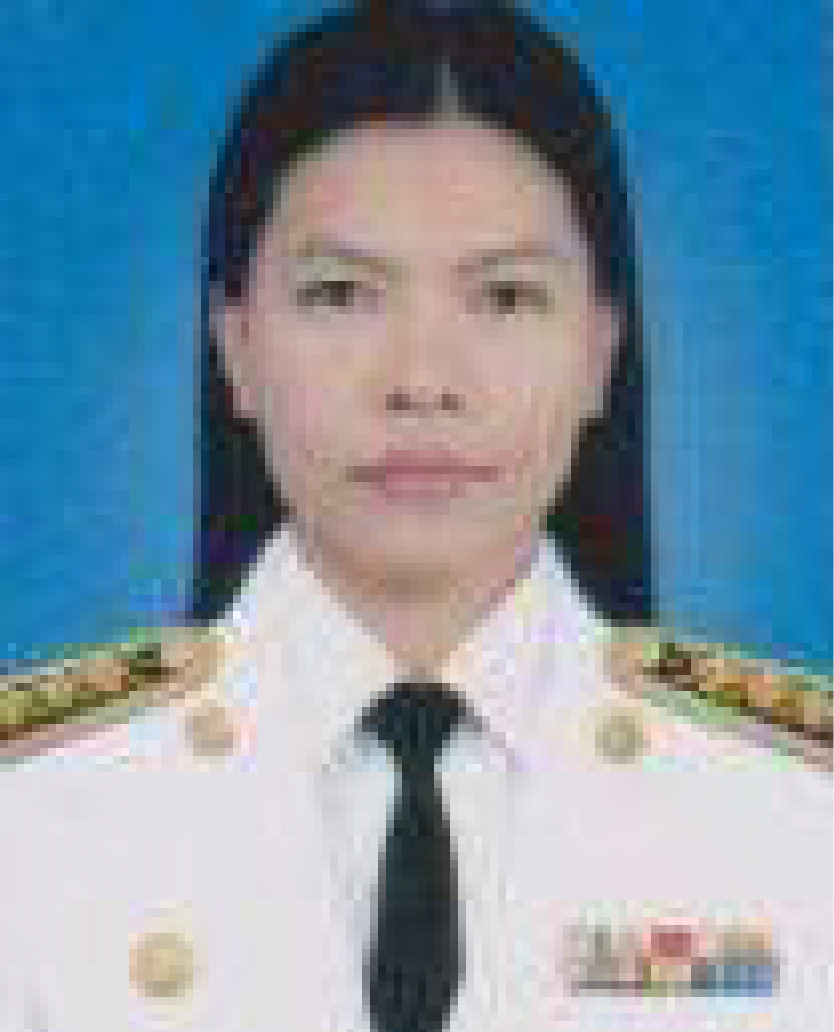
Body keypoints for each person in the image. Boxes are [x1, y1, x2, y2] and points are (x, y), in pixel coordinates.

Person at [1, 0, 830, 1029]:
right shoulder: (34, 812)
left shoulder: (797, 814)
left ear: (601, 350)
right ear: (235, 348)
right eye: (342, 295)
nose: (423, 380)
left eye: (506, 298)